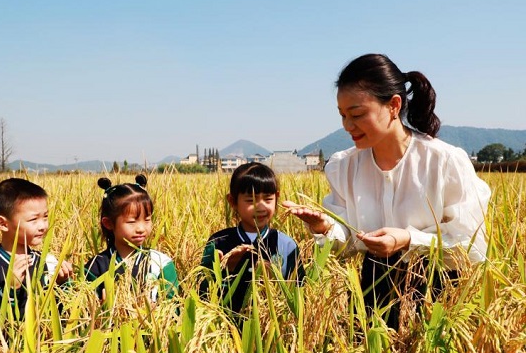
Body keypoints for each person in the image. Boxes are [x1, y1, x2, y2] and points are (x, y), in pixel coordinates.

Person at [283, 53, 491, 330]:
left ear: (394, 105)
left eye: (357, 114)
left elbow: (471, 245)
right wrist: (324, 226)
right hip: (372, 295)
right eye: (343, 116)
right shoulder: (344, 166)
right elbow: (346, 242)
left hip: (438, 299)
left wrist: (407, 239)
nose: (347, 126)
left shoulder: (444, 161)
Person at [200, 162, 305, 318]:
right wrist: (226, 270)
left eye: (268, 199)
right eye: (251, 200)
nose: (261, 207)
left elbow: (300, 293)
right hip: (227, 329)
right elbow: (202, 293)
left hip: (274, 331)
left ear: (277, 198)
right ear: (233, 201)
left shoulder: (286, 245)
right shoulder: (219, 242)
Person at [0, 178, 73, 320]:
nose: (42, 225)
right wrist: (10, 290)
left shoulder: (47, 262)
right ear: (3, 223)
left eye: (45, 217)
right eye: (33, 220)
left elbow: (62, 315)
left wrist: (63, 284)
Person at [84, 175, 179, 302]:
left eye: (147, 220)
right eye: (131, 222)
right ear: (108, 223)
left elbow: (174, 308)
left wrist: (154, 312)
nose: (141, 228)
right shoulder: (96, 266)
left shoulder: (161, 263)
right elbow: (83, 308)